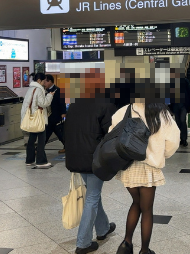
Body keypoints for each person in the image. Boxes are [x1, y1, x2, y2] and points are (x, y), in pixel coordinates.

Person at [112, 88, 180, 254]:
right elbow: (173, 141)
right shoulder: (161, 113)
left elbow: (112, 136)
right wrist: (161, 154)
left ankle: (126, 244)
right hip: (149, 168)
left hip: (128, 166)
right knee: (147, 209)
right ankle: (144, 250)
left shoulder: (123, 111)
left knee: (136, 203)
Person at [65, 68, 118, 254]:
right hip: (95, 158)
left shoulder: (75, 103)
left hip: (76, 155)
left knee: (93, 193)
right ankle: (83, 243)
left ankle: (103, 228)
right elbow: (111, 134)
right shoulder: (105, 104)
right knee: (93, 197)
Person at [21, 72, 53, 168]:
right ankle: (41, 161)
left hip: (32, 118)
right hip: (39, 119)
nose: (44, 83)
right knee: (41, 140)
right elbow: (43, 103)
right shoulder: (38, 89)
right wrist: (50, 95)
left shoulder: (30, 89)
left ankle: (29, 160)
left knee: (31, 139)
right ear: (39, 80)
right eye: (43, 81)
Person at [169, 69, 190, 147]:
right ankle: (179, 138)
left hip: (183, 105)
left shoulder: (185, 81)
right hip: (175, 104)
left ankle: (184, 139)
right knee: (178, 121)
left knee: (182, 120)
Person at [44, 74, 66, 154]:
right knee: (47, 133)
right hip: (49, 116)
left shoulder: (58, 90)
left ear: (50, 81)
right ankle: (39, 148)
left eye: (45, 82)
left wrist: (63, 113)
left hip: (56, 116)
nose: (44, 83)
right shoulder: (45, 91)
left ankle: (67, 147)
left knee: (60, 133)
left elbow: (62, 102)